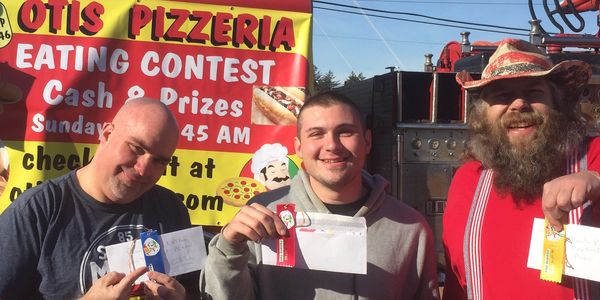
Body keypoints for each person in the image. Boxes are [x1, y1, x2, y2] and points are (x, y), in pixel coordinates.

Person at [202, 91, 440, 299]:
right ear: (298, 148)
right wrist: (229, 248)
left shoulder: (410, 228)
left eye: (345, 132)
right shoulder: (263, 214)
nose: (332, 145)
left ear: (367, 141)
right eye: (317, 134)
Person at [443, 38, 600, 300]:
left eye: (534, 92)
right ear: (483, 114)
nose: (518, 104)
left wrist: (595, 180)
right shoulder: (467, 181)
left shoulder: (593, 156)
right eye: (503, 95)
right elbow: (456, 283)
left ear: (557, 103)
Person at [0, 98, 192, 299]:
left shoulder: (171, 209)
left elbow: (193, 289)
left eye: (159, 161)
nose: (143, 170)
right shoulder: (37, 211)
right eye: (136, 148)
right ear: (107, 134)